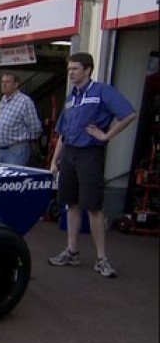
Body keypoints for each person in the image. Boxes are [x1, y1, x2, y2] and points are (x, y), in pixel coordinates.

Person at [48, 52, 137, 279]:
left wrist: (106, 135)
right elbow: (62, 133)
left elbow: (129, 114)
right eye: (69, 69)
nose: (71, 73)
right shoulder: (70, 98)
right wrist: (54, 160)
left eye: (75, 69)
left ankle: (101, 259)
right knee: (72, 203)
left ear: (87, 70)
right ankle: (72, 252)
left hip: (90, 155)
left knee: (94, 207)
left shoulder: (102, 92)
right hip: (69, 154)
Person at [0, 72, 42, 166]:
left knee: (11, 179)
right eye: (2, 82)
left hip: (16, 151)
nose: (3, 84)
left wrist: (26, 142)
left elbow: (35, 128)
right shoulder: (3, 100)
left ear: (16, 84)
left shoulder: (25, 101)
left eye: (7, 82)